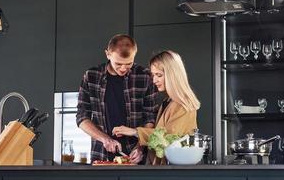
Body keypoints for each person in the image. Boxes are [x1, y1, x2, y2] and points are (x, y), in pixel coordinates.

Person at [76, 34, 159, 164]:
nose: (123, 69)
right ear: (107, 54)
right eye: (118, 63)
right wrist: (105, 139)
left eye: (129, 64)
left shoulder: (145, 76)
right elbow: (81, 117)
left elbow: (150, 117)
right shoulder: (91, 76)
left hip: (136, 157)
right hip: (101, 155)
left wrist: (140, 147)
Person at [112, 50, 200, 165]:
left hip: (173, 174)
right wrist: (139, 149)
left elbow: (168, 139)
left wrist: (135, 132)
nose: (154, 80)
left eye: (159, 75)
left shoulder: (183, 105)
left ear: (172, 75)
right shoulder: (168, 101)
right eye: (153, 75)